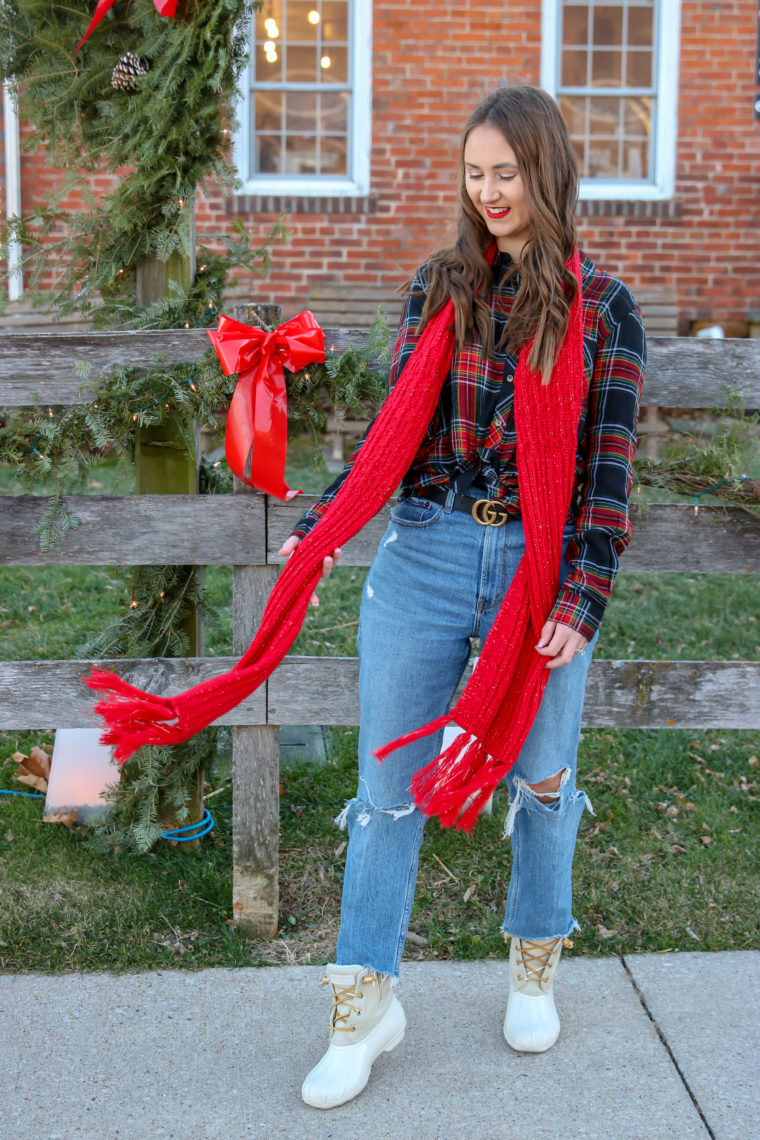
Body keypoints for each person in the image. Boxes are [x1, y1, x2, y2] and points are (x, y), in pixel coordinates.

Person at [279, 85, 646, 1111]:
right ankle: (365, 1002)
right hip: (428, 556)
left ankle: (534, 959)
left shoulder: (603, 311)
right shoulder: (438, 286)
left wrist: (583, 592)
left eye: (508, 172)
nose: (490, 191)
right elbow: (393, 434)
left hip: (538, 573)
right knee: (385, 785)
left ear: (547, 172)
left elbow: (604, 478)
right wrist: (319, 533)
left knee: (541, 779)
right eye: (476, 172)